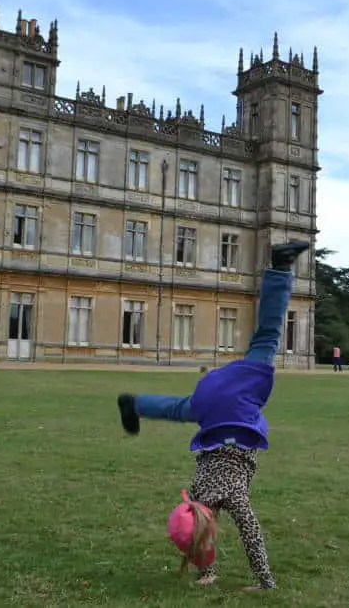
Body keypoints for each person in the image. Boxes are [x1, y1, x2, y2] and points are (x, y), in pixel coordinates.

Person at [115, 239, 310, 592]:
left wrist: (248, 578)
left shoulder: (211, 502)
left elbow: (215, 534)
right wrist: (265, 584)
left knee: (267, 336)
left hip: (225, 404)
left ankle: (281, 268)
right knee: (181, 408)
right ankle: (136, 403)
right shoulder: (204, 498)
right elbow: (220, 531)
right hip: (216, 404)